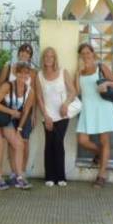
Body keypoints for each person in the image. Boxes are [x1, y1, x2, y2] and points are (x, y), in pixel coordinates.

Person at [75, 42, 113, 188]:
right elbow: (77, 92)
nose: (86, 56)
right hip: (87, 108)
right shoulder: (80, 72)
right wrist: (76, 75)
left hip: (103, 107)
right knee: (82, 140)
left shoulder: (101, 67)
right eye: (83, 54)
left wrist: (106, 84)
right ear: (80, 56)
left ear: (93, 54)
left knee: (104, 140)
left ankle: (102, 175)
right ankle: (101, 154)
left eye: (88, 53)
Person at [35, 47, 76, 187]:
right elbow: (39, 97)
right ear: (43, 58)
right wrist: (45, 116)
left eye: (51, 56)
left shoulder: (63, 72)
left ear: (55, 58)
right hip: (47, 115)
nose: (48, 58)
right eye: (46, 56)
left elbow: (73, 92)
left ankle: (61, 177)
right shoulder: (39, 75)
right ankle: (50, 177)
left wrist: (65, 104)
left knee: (58, 142)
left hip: (62, 114)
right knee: (49, 143)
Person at [0, 61, 34, 190]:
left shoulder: (30, 91)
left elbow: (25, 112)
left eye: (26, 73)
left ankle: (19, 177)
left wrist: (19, 128)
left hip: (6, 121)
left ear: (29, 75)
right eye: (21, 72)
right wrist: (12, 112)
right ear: (16, 73)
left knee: (19, 144)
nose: (23, 75)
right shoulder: (7, 86)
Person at [0, 43, 37, 185]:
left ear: (30, 56)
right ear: (18, 53)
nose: (24, 54)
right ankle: (14, 173)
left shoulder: (32, 71)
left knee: (24, 142)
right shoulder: (8, 67)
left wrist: (34, 114)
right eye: (22, 51)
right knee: (11, 142)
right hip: (9, 110)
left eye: (28, 53)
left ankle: (22, 172)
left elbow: (34, 93)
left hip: (25, 111)